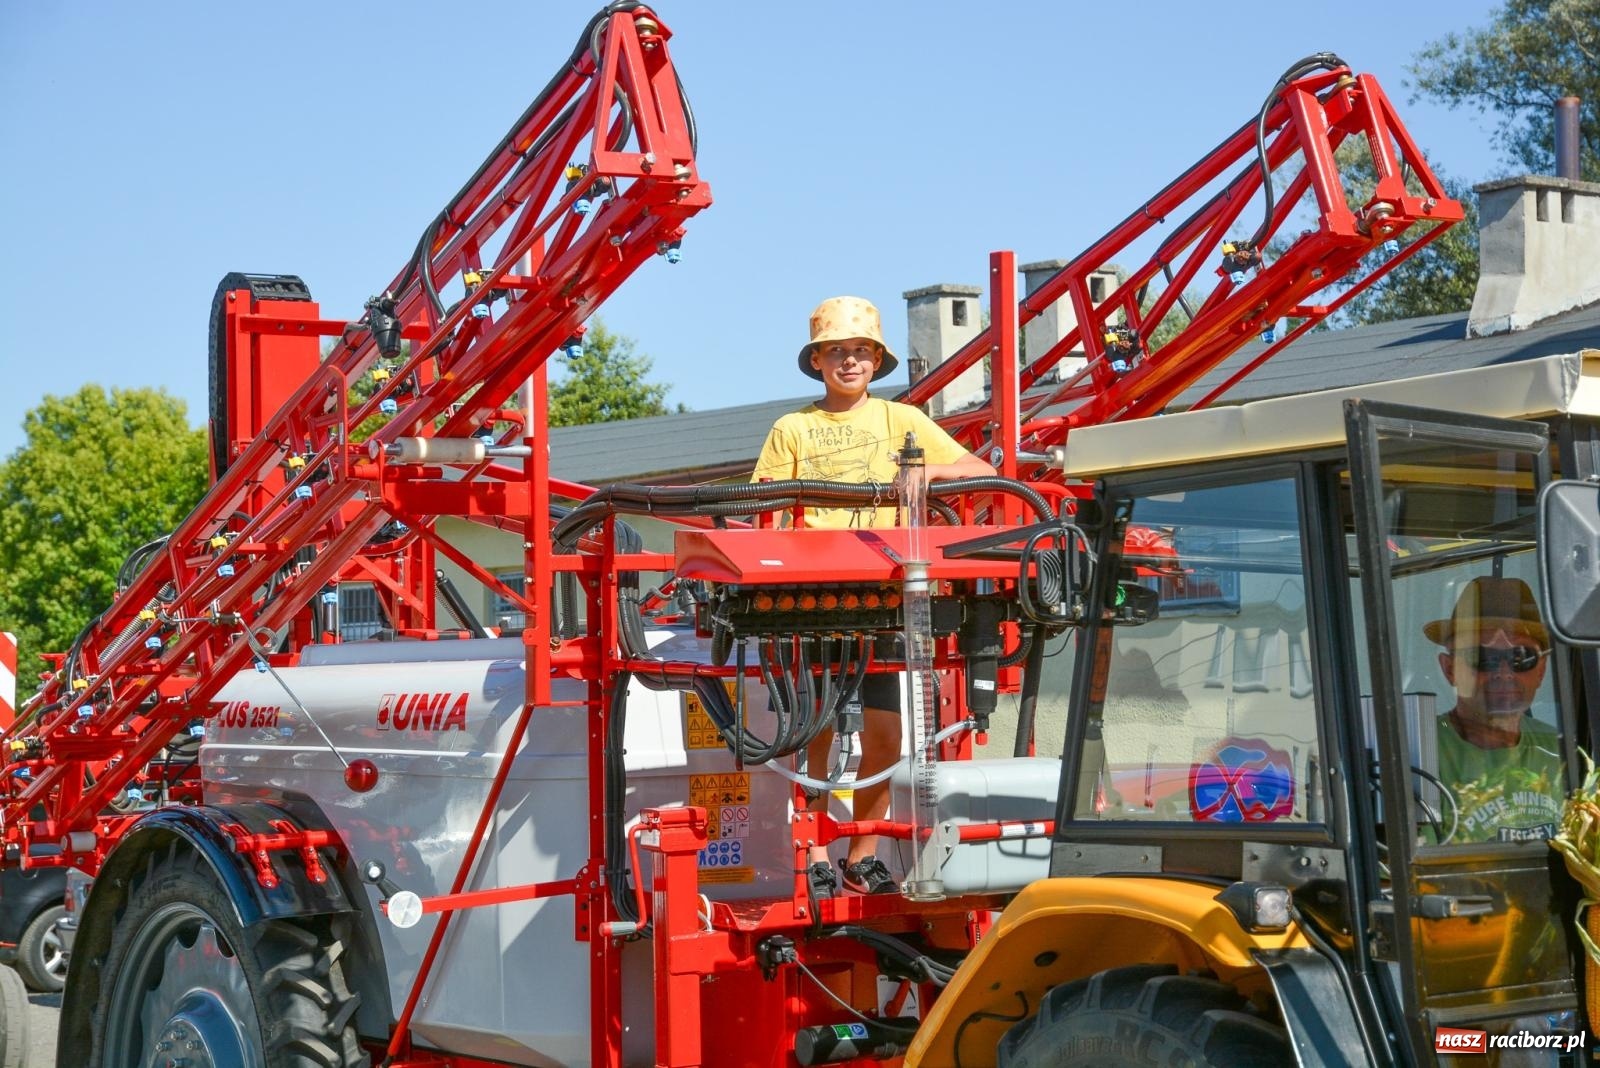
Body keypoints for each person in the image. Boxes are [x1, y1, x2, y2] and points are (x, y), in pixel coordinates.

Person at [752, 295, 995, 895]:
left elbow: (973, 467)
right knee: (814, 730)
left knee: (886, 735)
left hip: (882, 590)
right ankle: (811, 850)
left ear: (876, 360)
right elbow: (764, 507)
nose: (850, 361)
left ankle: (861, 855)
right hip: (811, 594)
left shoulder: (901, 421)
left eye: (860, 351)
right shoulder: (794, 429)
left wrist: (926, 472)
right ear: (818, 361)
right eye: (837, 351)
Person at [1424, 576, 1564, 843]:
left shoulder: (1563, 752)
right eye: (1482, 658)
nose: (1504, 673)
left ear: (1542, 670)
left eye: (1521, 657)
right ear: (1450, 669)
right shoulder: (1421, 757)